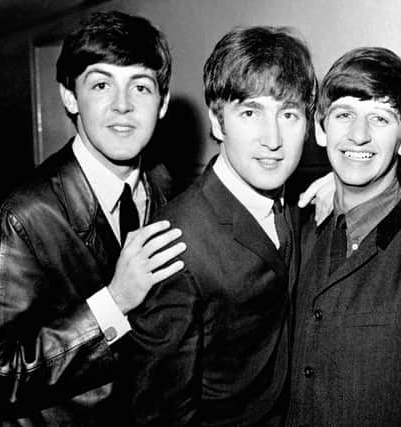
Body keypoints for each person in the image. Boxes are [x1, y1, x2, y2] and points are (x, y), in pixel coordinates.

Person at [0, 11, 186, 426]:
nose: (123, 105)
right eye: (101, 84)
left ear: (163, 103)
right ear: (69, 97)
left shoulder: (166, 185)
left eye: (141, 86)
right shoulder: (21, 218)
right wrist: (113, 302)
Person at [122, 26, 317, 426]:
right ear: (217, 120)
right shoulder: (174, 242)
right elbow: (161, 413)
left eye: (289, 114)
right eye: (250, 112)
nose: (273, 138)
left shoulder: (299, 204)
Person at [285, 47, 401, 426]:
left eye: (380, 119)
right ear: (320, 129)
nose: (358, 135)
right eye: (344, 115)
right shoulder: (301, 233)